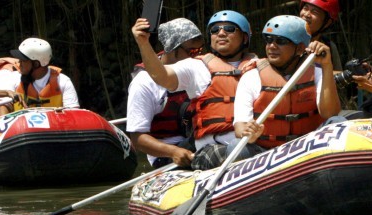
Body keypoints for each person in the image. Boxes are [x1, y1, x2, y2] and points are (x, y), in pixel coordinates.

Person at [131, 10, 259, 170]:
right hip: (208, 150)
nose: (221, 33)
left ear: (245, 37)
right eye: (215, 30)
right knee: (240, 150)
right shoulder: (195, 67)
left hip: (249, 142)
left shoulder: (260, 66)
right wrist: (144, 43)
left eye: (229, 29)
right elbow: (160, 75)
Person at [229, 15, 343, 163]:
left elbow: (330, 113)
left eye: (281, 41)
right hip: (266, 152)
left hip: (308, 147)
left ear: (300, 48)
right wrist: (249, 133)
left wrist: (327, 66)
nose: (272, 46)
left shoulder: (316, 72)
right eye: (269, 40)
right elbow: (240, 127)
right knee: (236, 147)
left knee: (338, 121)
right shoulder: (252, 76)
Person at [126, 18, 203, 168]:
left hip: (199, 141)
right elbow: (137, 138)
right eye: (192, 52)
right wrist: (174, 151)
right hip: (168, 156)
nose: (197, 57)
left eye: (200, 51)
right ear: (172, 49)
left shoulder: (201, 68)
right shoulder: (144, 82)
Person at [0, 37, 80, 119]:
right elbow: (3, 109)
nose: (19, 62)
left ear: (37, 63)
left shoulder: (63, 81)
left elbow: (74, 115)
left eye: (23, 60)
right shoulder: (12, 78)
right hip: (22, 132)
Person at [299, 0, 342, 71]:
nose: (306, 14)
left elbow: (338, 77)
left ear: (327, 23)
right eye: (305, 8)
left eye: (315, 12)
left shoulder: (329, 47)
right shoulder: (284, 39)